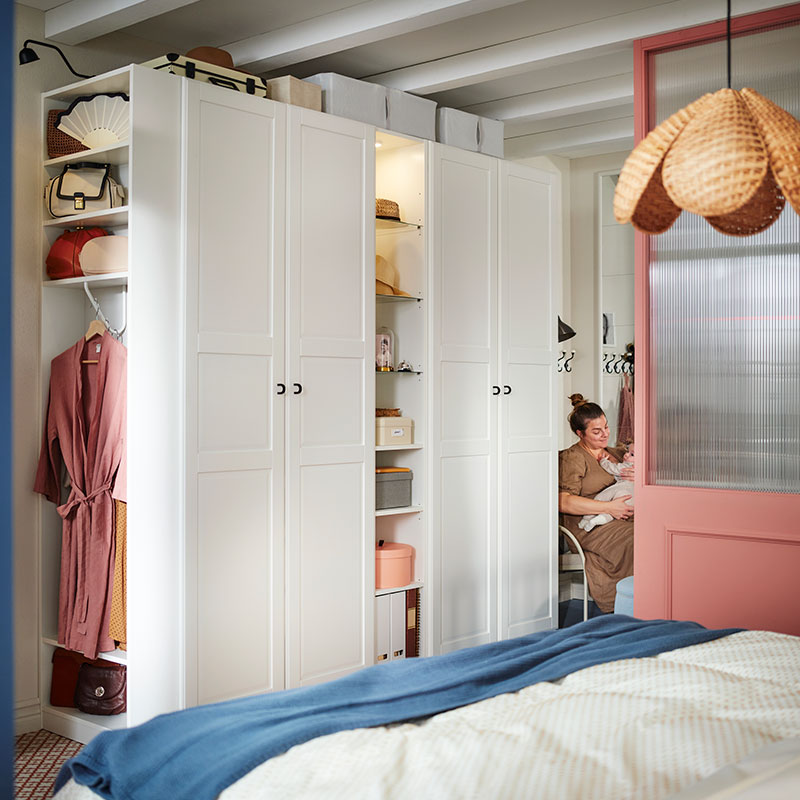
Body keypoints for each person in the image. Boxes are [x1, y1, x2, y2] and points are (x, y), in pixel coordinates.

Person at [559, 394, 634, 613]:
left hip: (621, 516)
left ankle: (658, 601)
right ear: (580, 433)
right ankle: (626, 608)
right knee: (635, 540)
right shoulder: (573, 458)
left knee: (657, 531)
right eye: (596, 431)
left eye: (606, 427)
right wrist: (609, 508)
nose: (605, 435)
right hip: (587, 524)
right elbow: (563, 501)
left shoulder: (617, 453)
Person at [579, 443, 634, 532]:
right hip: (632, 497)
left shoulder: (628, 467)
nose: (626, 454)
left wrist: (603, 461)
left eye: (632, 454)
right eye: (627, 451)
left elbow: (612, 468)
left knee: (601, 498)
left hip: (622, 489)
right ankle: (598, 520)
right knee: (614, 512)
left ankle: (586, 519)